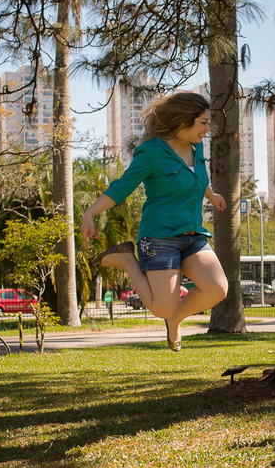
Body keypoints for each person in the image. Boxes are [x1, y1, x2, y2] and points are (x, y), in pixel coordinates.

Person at [81, 92, 228, 351]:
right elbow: (122, 187)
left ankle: (176, 319)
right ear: (182, 121)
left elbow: (195, 177)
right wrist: (90, 213)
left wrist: (211, 195)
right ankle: (127, 260)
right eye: (203, 122)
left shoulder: (197, 147)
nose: (207, 128)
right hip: (159, 238)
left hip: (192, 234)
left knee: (217, 288)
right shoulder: (151, 152)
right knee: (162, 308)